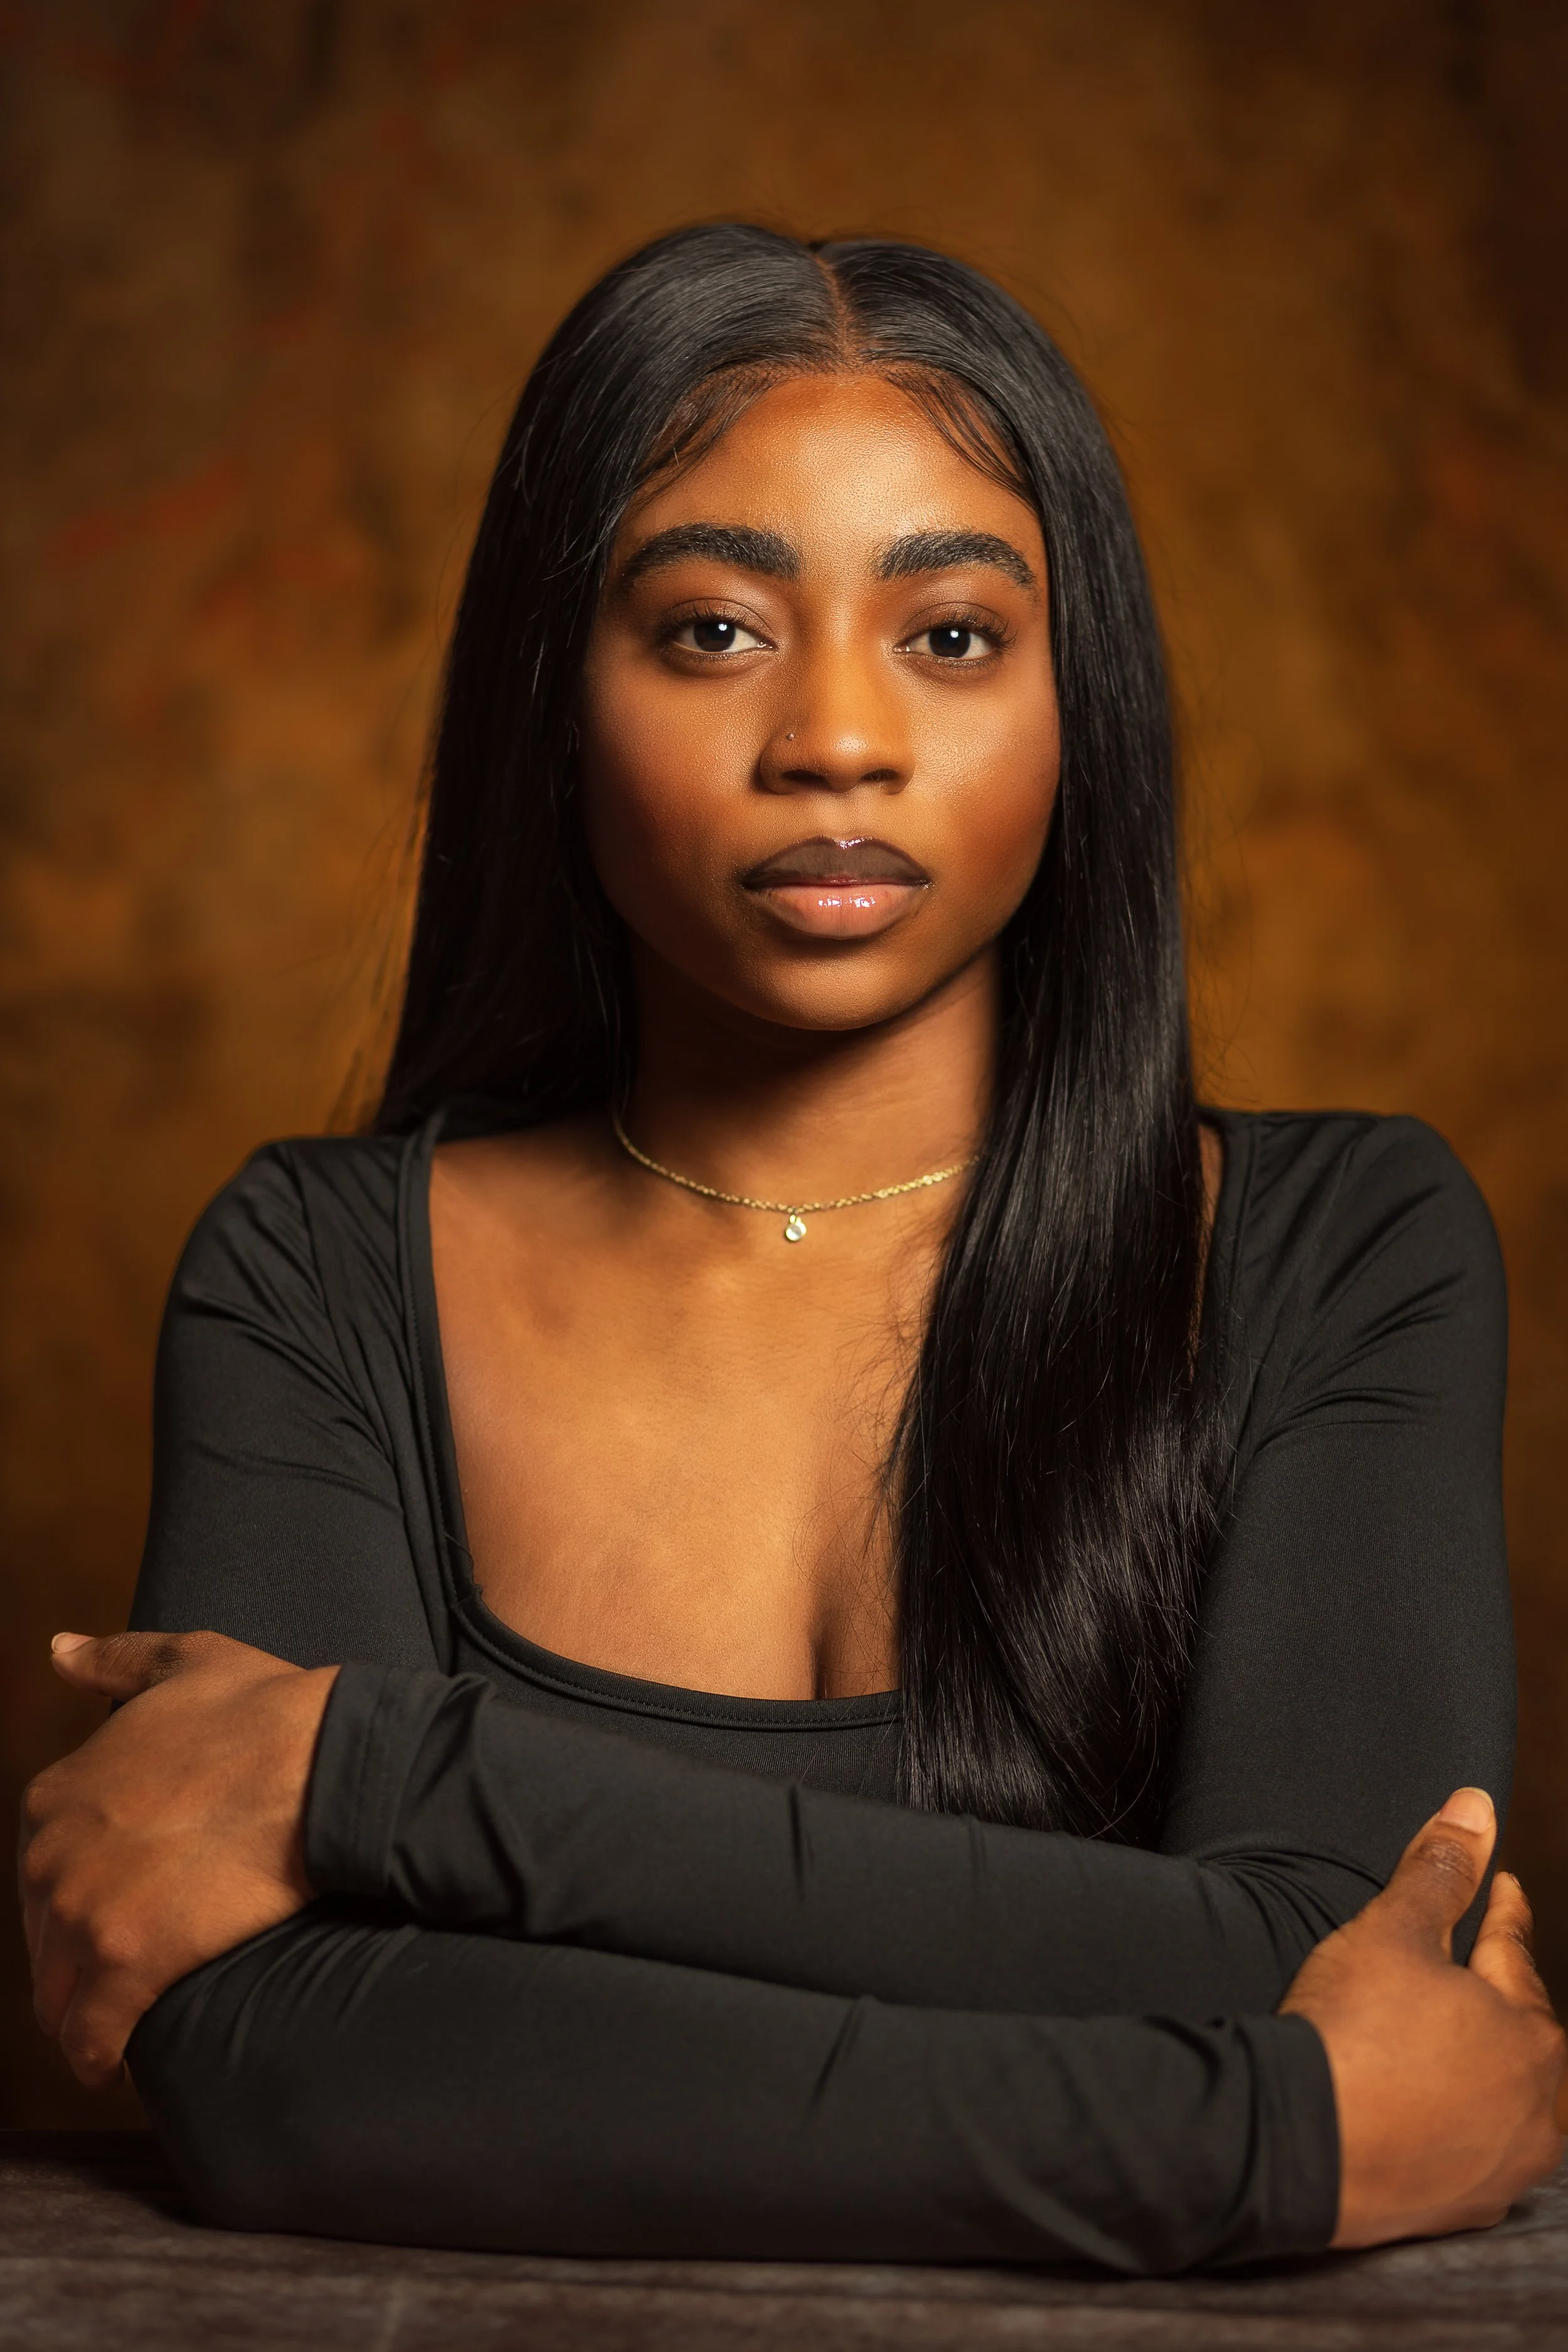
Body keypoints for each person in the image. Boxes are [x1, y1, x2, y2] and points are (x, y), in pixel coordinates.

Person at [18, 225, 1564, 2274]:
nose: (835, 737)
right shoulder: (314, 1271)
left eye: (952, 635)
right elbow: (276, 2056)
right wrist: (1248, 2137)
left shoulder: (1334, 1248)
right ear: (554, 695)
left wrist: (377, 1775)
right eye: (713, 630)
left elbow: (1317, 1941)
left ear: (1079, 700)